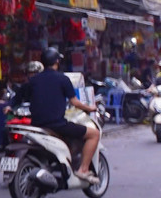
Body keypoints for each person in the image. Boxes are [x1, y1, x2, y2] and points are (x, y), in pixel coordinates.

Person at [11, 46, 101, 184]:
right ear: (57, 62)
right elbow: (75, 102)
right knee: (94, 134)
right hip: (57, 125)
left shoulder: (33, 80)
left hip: (36, 125)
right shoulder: (63, 79)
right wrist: (90, 108)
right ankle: (83, 169)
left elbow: (17, 98)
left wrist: (8, 106)